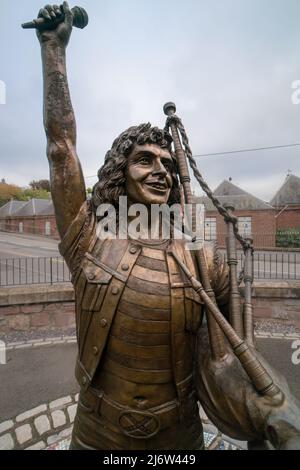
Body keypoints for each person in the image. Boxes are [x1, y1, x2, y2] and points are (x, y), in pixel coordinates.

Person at [36, 3, 300, 450]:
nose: (160, 170)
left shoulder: (202, 256)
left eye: (165, 163)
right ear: (121, 171)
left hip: (179, 435)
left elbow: (232, 350)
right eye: (144, 160)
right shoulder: (89, 237)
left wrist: (274, 408)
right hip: (97, 431)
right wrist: (53, 52)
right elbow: (62, 151)